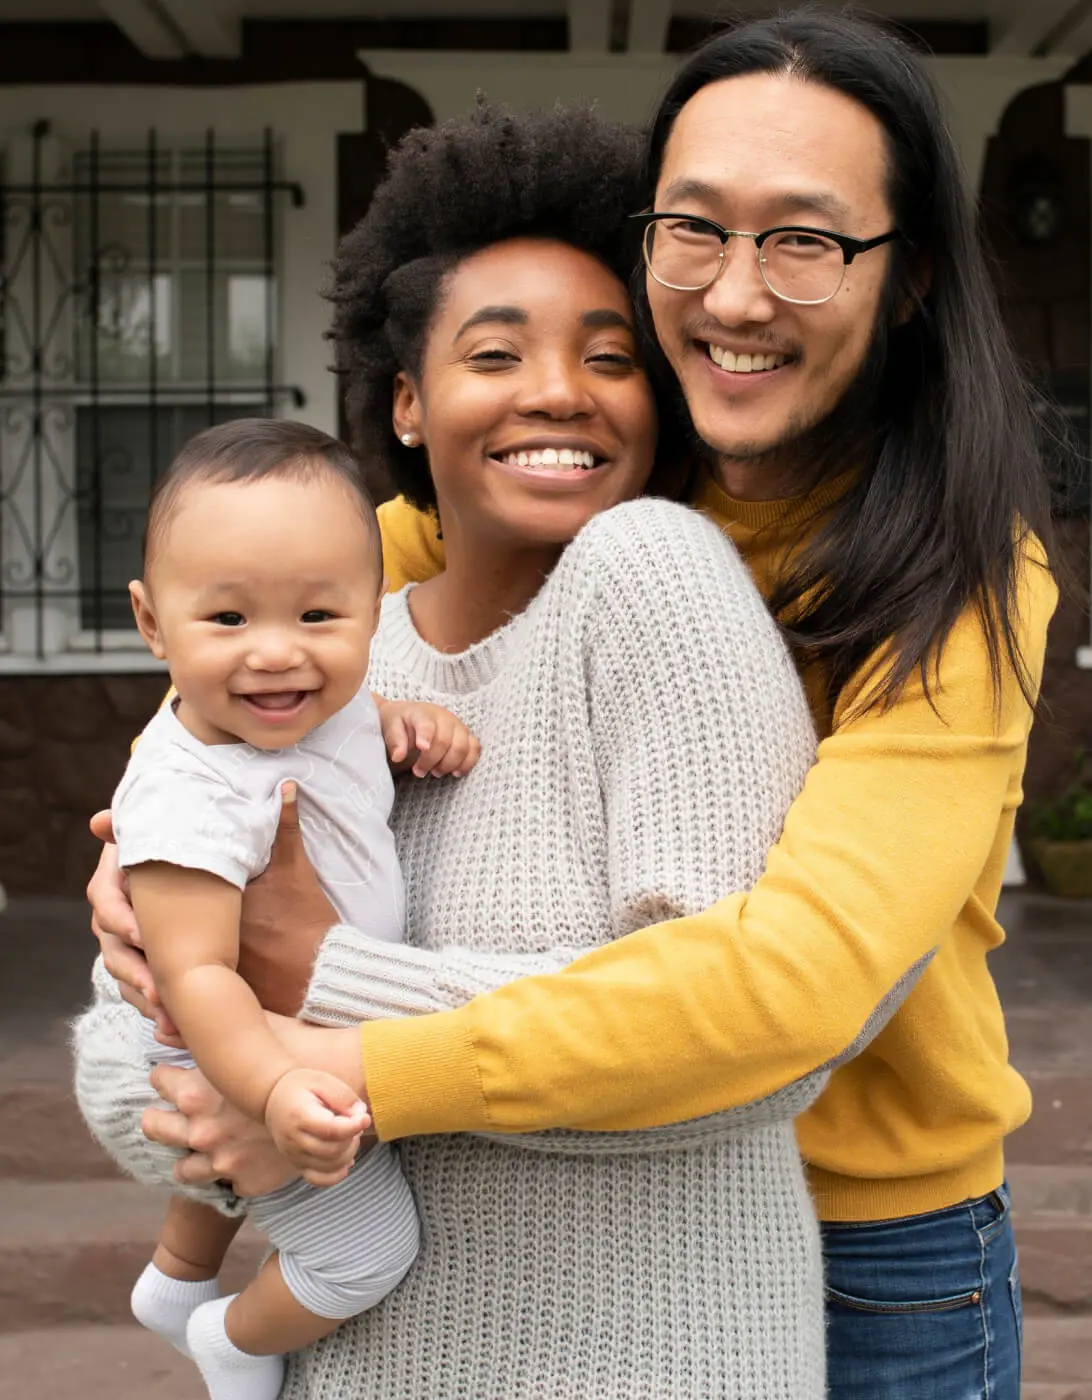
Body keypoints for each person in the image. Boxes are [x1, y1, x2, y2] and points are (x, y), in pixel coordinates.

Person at [84, 12, 1059, 1398]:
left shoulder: (951, 569)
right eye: (696, 229)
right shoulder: (577, 488)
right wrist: (153, 847)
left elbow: (789, 993)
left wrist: (321, 1051)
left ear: (902, 282)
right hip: (548, 1203)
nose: (734, 295)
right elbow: (269, 648)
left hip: (870, 1225)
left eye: (807, 240)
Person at [90, 418, 478, 1400]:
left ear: (371, 611)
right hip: (233, 1045)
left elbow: (346, 722)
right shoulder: (190, 797)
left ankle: (175, 1282)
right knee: (367, 1252)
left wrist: (400, 718)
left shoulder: (330, 699)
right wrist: (268, 1091)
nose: (277, 655)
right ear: (151, 623)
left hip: (300, 1019)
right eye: (226, 620)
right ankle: (233, 1333)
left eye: (317, 615)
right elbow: (199, 978)